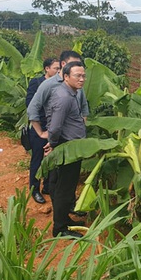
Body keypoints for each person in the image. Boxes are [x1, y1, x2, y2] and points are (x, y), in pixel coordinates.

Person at [27, 51, 89, 213]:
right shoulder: (49, 85)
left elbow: (83, 108)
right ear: (64, 66)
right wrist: (41, 132)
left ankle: (59, 201)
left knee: (57, 175)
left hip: (65, 136)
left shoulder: (77, 86)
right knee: (39, 161)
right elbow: (33, 107)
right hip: (48, 130)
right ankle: (35, 189)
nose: (80, 75)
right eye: (74, 66)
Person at [45, 61, 87, 238]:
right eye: (77, 75)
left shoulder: (69, 93)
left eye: (84, 75)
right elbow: (55, 127)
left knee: (65, 187)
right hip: (66, 147)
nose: (82, 79)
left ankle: (64, 221)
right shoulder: (64, 97)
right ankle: (60, 228)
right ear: (66, 76)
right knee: (65, 188)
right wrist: (53, 144)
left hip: (69, 145)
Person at [25, 57, 60, 204]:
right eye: (55, 68)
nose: (58, 71)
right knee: (38, 158)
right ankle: (35, 189)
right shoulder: (37, 83)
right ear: (46, 69)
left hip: (53, 127)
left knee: (51, 158)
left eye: (59, 69)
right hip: (39, 127)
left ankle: (47, 186)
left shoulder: (59, 84)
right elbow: (30, 104)